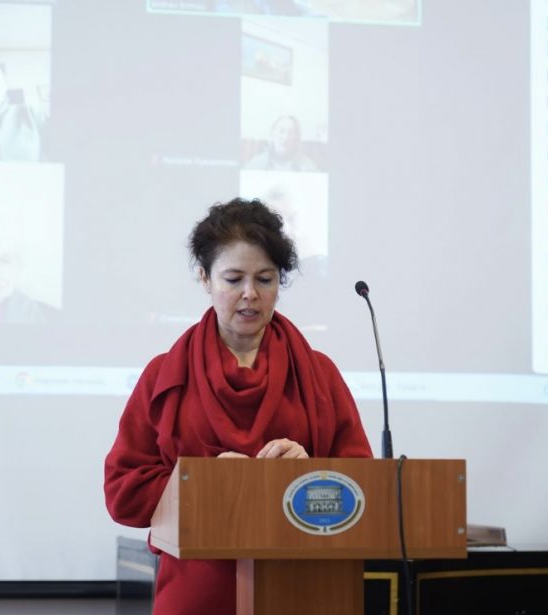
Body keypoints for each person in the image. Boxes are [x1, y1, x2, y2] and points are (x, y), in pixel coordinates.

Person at [103, 198, 371, 615]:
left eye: (265, 279)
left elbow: (364, 487)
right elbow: (123, 491)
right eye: (233, 279)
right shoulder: (164, 375)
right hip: (196, 592)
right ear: (204, 277)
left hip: (304, 587)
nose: (250, 294)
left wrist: (310, 471)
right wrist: (200, 484)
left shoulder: (319, 374)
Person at [245, 115, 320, 172]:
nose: (285, 137)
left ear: (296, 138)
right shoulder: (256, 164)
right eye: (281, 131)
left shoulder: (308, 166)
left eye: (290, 133)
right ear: (272, 134)